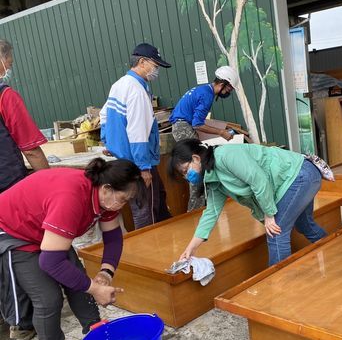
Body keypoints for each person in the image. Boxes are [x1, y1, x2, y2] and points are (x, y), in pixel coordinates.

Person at [0, 158, 142, 340]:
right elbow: (50, 262)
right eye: (123, 199)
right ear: (107, 189)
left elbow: (113, 237)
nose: (123, 205)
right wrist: (95, 289)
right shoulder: (72, 198)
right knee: (48, 298)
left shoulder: (105, 198)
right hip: (14, 232)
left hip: (45, 233)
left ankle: (96, 330)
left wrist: (106, 273)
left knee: (76, 279)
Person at [170, 140, 327, 266]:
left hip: (299, 176)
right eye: (183, 175)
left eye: (185, 170)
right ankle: (333, 250)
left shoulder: (225, 155)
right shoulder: (213, 180)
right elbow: (211, 213)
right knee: (304, 225)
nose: (186, 177)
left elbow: (259, 181)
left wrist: (269, 214)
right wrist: (191, 248)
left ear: (196, 158)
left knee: (275, 233)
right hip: (302, 177)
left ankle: (280, 287)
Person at [0, 39, 50, 340]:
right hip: (7, 187)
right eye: (9, 60)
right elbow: (31, 149)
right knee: (14, 251)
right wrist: (49, 183)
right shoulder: (5, 96)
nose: (11, 67)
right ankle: (19, 322)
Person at [100, 43, 172, 229]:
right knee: (146, 208)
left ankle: (164, 236)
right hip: (136, 161)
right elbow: (138, 132)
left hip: (123, 158)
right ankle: (151, 247)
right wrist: (143, 168)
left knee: (157, 197)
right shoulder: (137, 91)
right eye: (155, 66)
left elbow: (104, 115)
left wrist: (108, 140)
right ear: (142, 62)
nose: (156, 70)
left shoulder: (119, 85)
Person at [169, 66, 240, 211]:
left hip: (181, 126)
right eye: (228, 90)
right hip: (183, 128)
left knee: (201, 166)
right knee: (197, 169)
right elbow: (197, 124)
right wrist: (221, 132)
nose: (228, 93)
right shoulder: (207, 95)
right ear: (222, 84)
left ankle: (202, 207)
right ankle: (195, 211)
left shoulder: (203, 90)